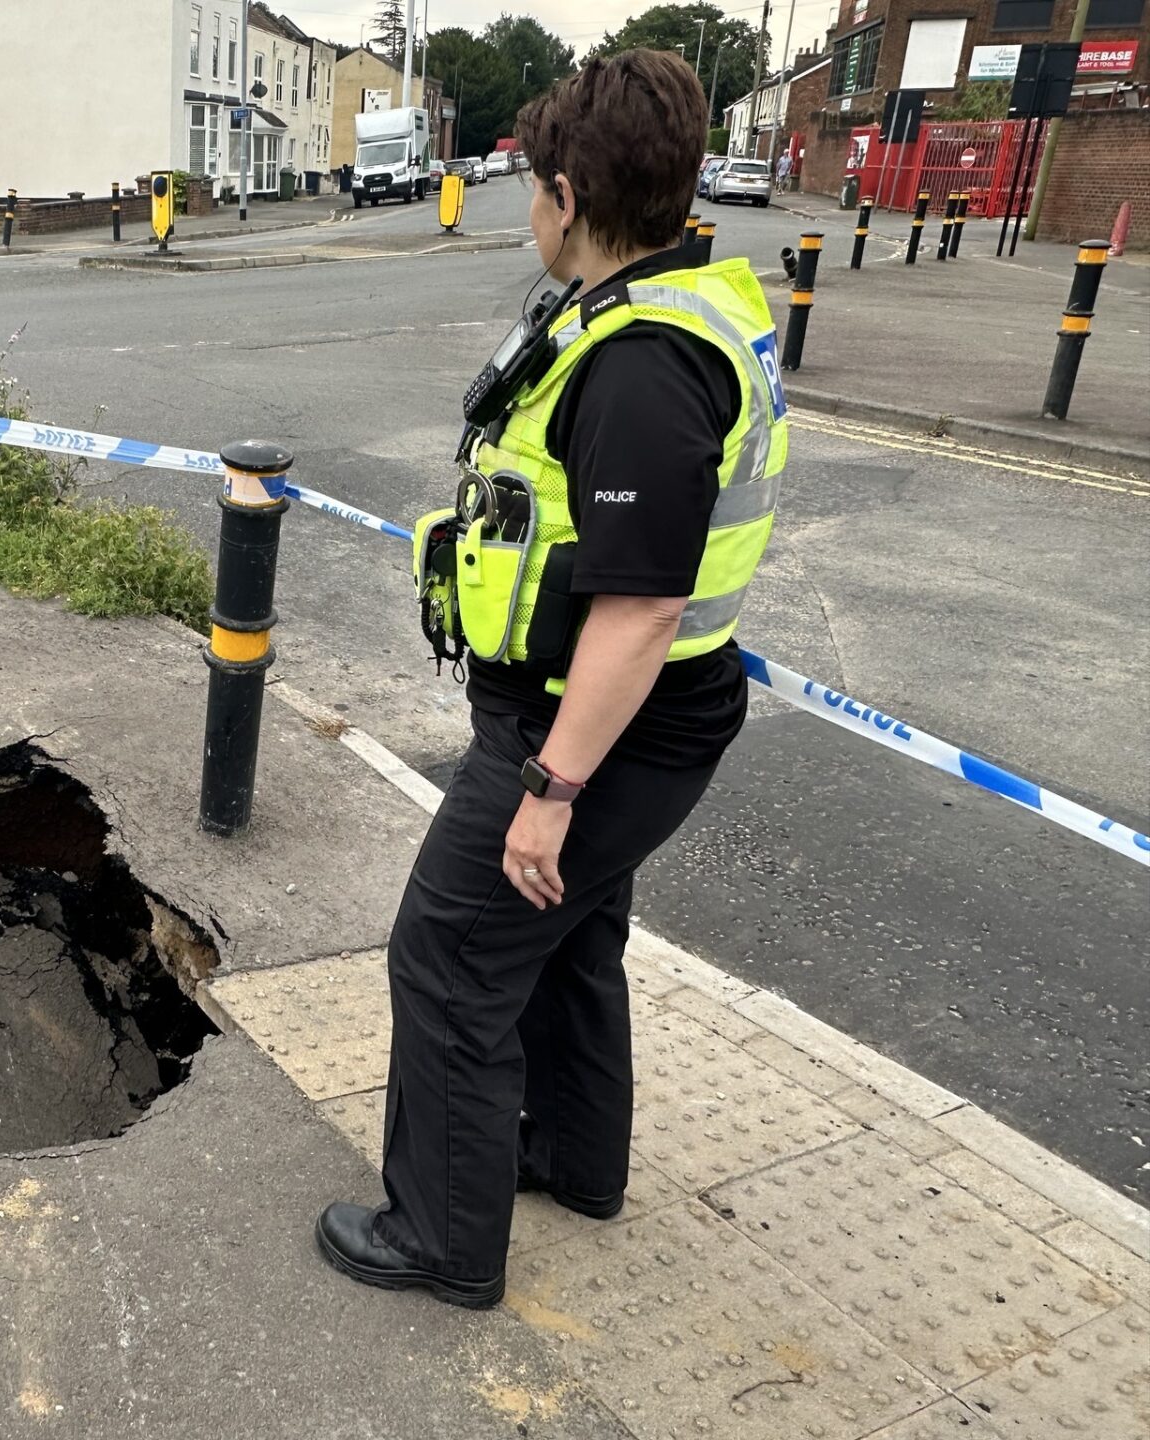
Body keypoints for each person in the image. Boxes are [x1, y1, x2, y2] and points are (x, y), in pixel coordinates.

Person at [315, 48, 788, 1309]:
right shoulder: (679, 302)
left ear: (569, 195)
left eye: (534, 187)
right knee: (572, 944)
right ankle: (574, 1161)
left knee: (451, 955)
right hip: (647, 718)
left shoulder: (642, 365)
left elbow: (640, 608)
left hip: (604, 727)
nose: (530, 208)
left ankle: (440, 1238)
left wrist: (550, 784)